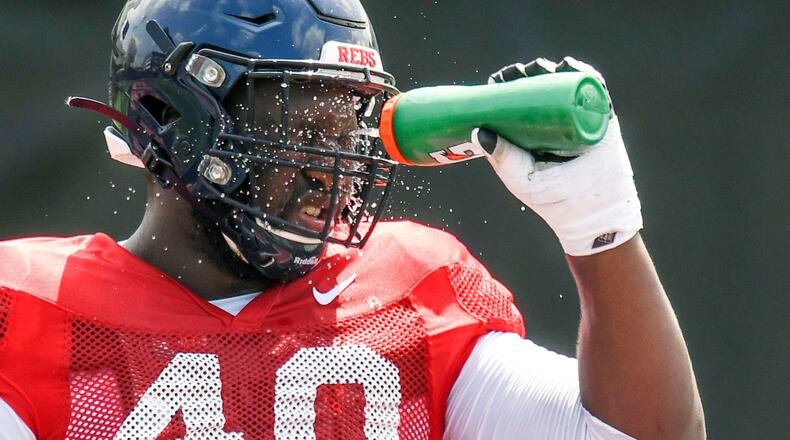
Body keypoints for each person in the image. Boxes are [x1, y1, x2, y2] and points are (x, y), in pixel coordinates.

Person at [0, 0, 705, 439]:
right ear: (170, 123)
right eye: (300, 130)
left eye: (346, 133)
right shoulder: (30, 312)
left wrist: (600, 228)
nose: (330, 170)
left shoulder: (406, 297)